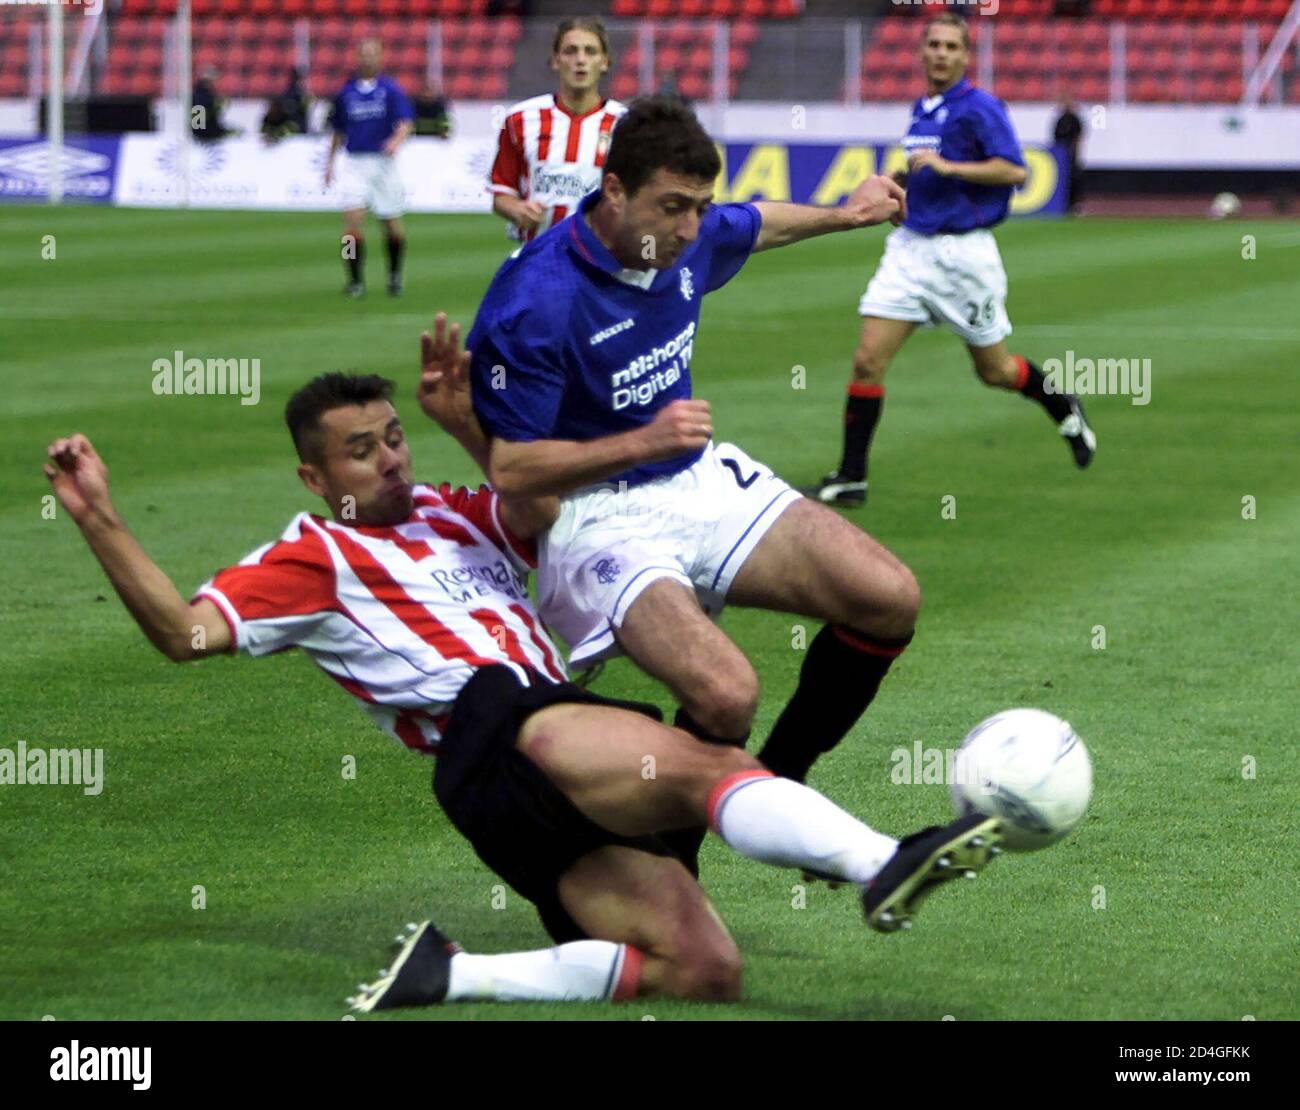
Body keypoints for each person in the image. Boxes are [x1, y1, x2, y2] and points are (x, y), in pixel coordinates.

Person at [42, 315, 1004, 1010]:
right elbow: (183, 633)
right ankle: (885, 863)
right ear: (314, 478)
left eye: (391, 438)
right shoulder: (312, 556)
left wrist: (466, 416)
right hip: (501, 723)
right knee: (718, 755)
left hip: (508, 773)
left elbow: (540, 516)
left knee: (703, 970)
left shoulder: (452, 509)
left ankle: (451, 974)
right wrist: (99, 519)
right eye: (357, 452)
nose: (387, 461)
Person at [467, 95, 922, 885]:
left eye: (698, 207)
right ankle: (674, 873)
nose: (688, 229)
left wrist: (845, 217)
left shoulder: (686, 236)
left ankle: (779, 787)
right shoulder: (534, 302)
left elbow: (753, 223)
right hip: (595, 514)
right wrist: (641, 441)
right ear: (612, 191)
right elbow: (512, 469)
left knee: (888, 597)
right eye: (671, 207)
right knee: (725, 695)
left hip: (694, 477)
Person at [803, 13, 1096, 509]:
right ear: (922, 53)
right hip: (911, 251)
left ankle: (1062, 405)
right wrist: (898, 182)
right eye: (933, 44)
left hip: (963, 257)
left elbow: (1015, 171)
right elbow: (923, 167)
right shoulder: (923, 107)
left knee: (995, 371)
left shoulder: (980, 107)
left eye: (950, 46)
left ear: (965, 56)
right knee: (867, 360)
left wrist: (947, 166)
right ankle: (852, 476)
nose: (940, 53)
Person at [489, 16, 626, 244]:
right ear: (555, 61)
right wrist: (517, 210)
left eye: (590, 51)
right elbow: (501, 194)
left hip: (601, 263)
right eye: (570, 51)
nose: (580, 60)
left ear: (605, 62)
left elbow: (646, 205)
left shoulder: (627, 125)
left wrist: (647, 254)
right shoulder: (520, 119)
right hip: (539, 259)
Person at [324, 39, 414, 298]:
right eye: (363, 54)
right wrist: (329, 163)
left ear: (381, 58)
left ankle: (394, 276)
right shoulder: (345, 92)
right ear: (356, 57)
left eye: (373, 54)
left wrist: (396, 140)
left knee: (391, 225)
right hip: (354, 162)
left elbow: (405, 122)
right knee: (351, 225)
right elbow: (337, 130)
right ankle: (354, 281)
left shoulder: (390, 89)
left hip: (383, 164)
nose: (368, 59)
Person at [1052, 96, 1084, 215]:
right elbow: (1055, 138)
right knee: (1063, 179)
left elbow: (1078, 137)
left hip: (1070, 154)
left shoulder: (1075, 119)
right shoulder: (1060, 120)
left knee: (1074, 178)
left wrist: (1075, 151)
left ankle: (1075, 204)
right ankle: (1064, 203)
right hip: (1061, 155)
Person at [191, 67, 232, 143]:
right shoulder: (200, 96)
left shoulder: (206, 95)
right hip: (205, 138)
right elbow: (198, 124)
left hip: (206, 135)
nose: (215, 83)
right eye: (213, 80)